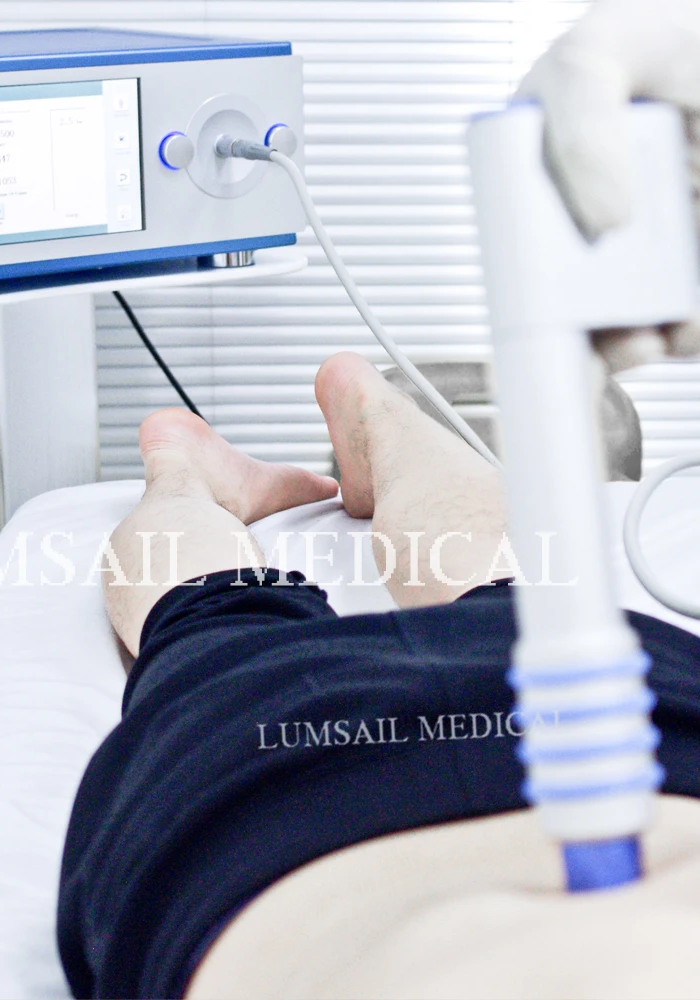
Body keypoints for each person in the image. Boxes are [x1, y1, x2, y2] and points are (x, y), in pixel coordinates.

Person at [58, 2, 700, 996]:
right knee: (503, 591)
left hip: (272, 800)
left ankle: (198, 468)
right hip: (641, 724)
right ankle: (369, 411)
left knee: (220, 621)